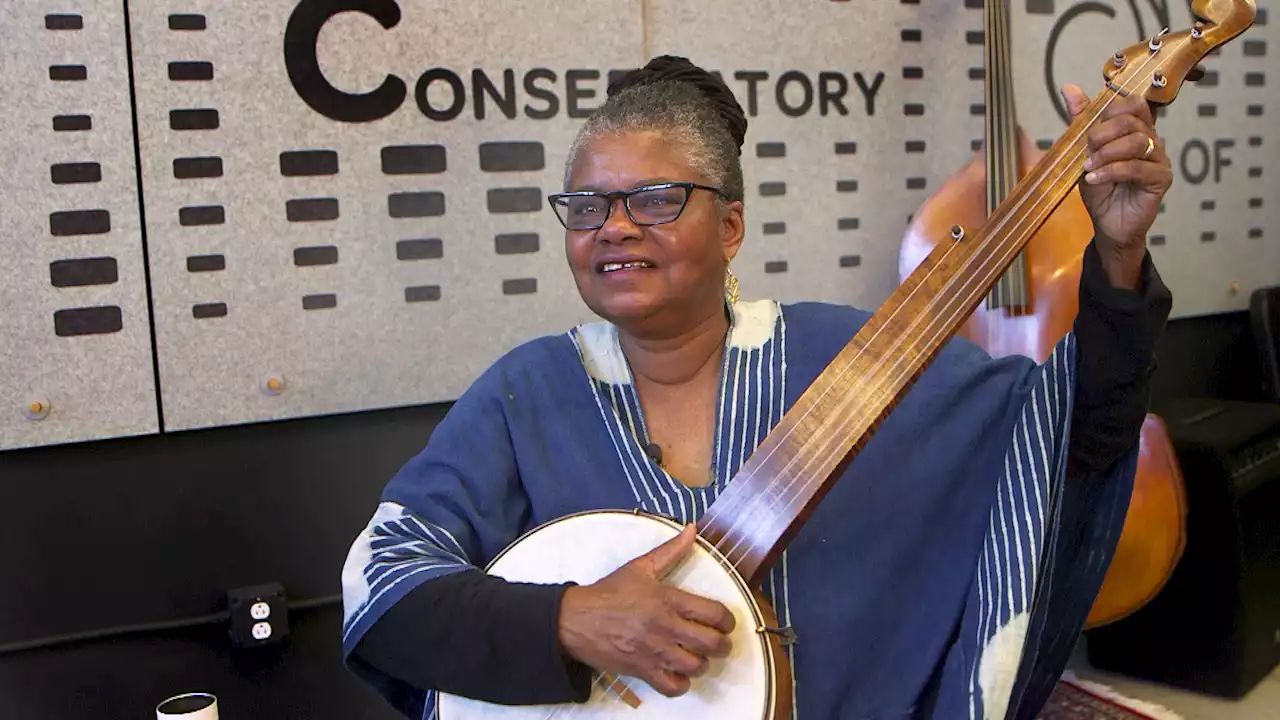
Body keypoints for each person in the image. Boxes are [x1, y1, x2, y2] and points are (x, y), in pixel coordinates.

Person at [340, 56, 1173, 720]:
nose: (616, 226)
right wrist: (572, 619)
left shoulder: (858, 363)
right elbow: (384, 586)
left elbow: (1075, 440)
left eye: (658, 199)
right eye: (588, 206)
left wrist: (1118, 256)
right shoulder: (528, 392)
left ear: (731, 224)